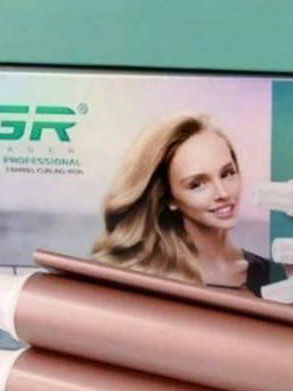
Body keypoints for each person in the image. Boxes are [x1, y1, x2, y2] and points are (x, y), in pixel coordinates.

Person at [93, 113, 270, 295]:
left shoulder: (271, 275)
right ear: (168, 197)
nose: (223, 193)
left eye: (227, 174)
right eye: (197, 184)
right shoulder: (141, 278)